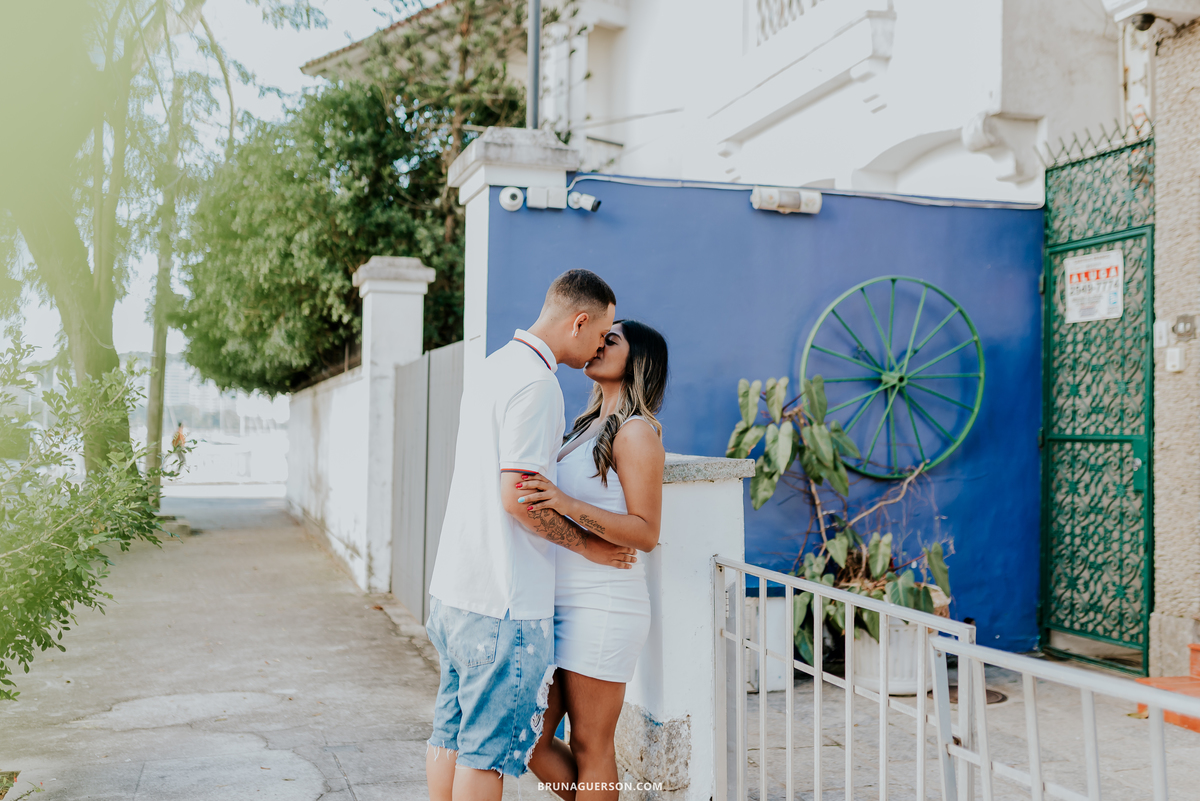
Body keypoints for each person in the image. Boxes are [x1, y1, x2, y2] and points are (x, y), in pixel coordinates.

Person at [425, 270, 637, 801]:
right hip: (503, 603)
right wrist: (591, 546)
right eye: (600, 332)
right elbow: (519, 497)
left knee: (448, 735)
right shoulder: (538, 385)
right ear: (580, 320)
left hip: (455, 590)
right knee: (486, 754)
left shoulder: (495, 366)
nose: (597, 346)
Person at [522, 320, 670, 801]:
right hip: (559, 602)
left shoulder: (636, 432)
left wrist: (565, 503)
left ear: (639, 360)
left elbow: (645, 531)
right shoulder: (587, 428)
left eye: (612, 340)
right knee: (531, 742)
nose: (598, 344)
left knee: (590, 743)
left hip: (604, 604)